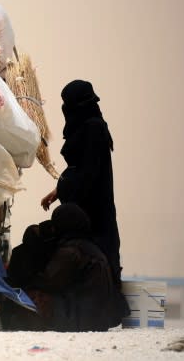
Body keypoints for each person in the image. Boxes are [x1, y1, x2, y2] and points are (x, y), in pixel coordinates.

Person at [40, 80, 123, 284]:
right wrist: (59, 189)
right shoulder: (91, 126)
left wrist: (67, 190)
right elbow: (80, 169)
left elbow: (88, 175)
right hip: (87, 210)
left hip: (93, 214)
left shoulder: (93, 129)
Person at [11, 203, 127, 332]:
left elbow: (50, 281)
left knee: (32, 296)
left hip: (81, 318)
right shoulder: (91, 247)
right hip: (98, 319)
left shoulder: (71, 250)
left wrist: (27, 282)